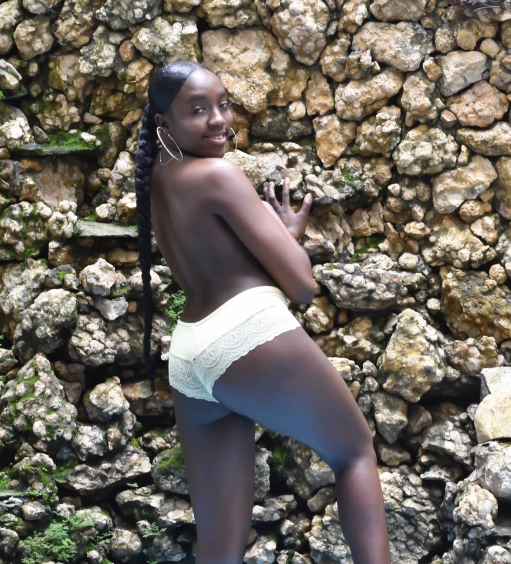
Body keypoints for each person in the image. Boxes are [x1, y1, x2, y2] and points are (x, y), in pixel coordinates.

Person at [133, 60, 391, 564]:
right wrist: (287, 238)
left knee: (220, 546)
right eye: (198, 110)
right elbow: (302, 285)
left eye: (223, 105)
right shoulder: (217, 173)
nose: (218, 120)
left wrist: (276, 235)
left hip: (190, 355)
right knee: (353, 452)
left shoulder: (160, 177)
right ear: (164, 122)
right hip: (246, 332)